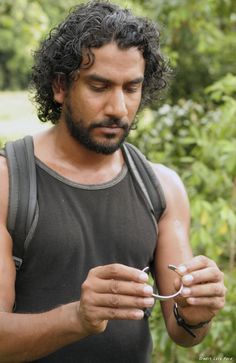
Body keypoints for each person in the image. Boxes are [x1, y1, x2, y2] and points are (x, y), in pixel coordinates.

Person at [0, 1, 226, 362]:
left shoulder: (162, 187)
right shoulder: (8, 183)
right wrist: (78, 317)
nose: (118, 108)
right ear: (60, 86)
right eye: (99, 86)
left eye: (131, 88)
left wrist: (196, 314)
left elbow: (184, 334)